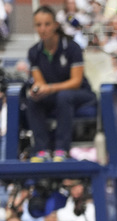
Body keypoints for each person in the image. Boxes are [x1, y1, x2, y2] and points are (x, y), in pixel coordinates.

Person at [25, 6, 96, 162]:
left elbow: (76, 82)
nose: (43, 29)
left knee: (64, 97)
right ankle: (41, 150)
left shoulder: (72, 48)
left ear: (55, 25)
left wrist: (49, 88)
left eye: (47, 24)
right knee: (32, 100)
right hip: (55, 95)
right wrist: (36, 90)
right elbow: (40, 83)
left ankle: (61, 150)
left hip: (80, 94)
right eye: (38, 25)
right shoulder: (34, 52)